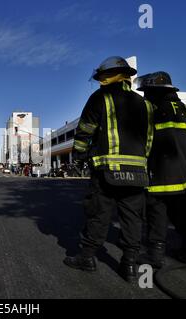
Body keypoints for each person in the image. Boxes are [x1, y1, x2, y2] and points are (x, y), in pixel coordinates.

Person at [63, 56, 154, 283]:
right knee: (133, 218)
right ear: (127, 76)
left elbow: (85, 130)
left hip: (107, 172)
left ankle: (87, 258)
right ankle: (129, 266)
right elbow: (149, 139)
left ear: (106, 76)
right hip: (138, 173)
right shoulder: (145, 104)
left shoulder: (100, 98)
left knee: (98, 215)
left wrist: (80, 156)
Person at [136, 71, 186, 266]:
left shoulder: (155, 110)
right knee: (181, 212)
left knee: (157, 212)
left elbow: (144, 140)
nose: (145, 96)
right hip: (180, 172)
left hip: (158, 172)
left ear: (156, 91)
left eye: (147, 92)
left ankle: (155, 254)